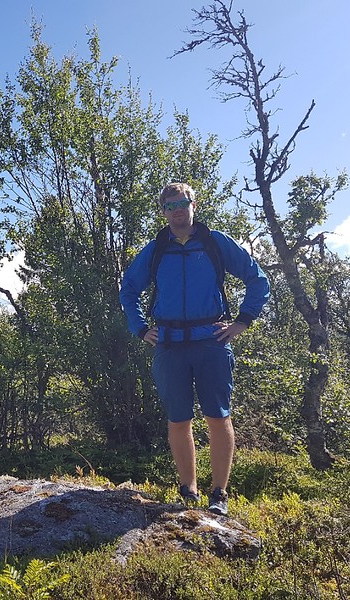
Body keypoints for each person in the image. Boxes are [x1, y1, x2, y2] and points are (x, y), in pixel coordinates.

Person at [119, 182, 270, 516]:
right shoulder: (157, 249)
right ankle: (188, 491)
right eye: (170, 206)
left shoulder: (215, 242)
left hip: (211, 342)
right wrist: (140, 328)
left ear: (193, 205)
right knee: (179, 419)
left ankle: (219, 494)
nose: (177, 210)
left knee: (218, 416)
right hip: (169, 345)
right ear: (163, 211)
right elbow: (128, 289)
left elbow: (258, 279)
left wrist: (243, 321)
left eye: (182, 204)